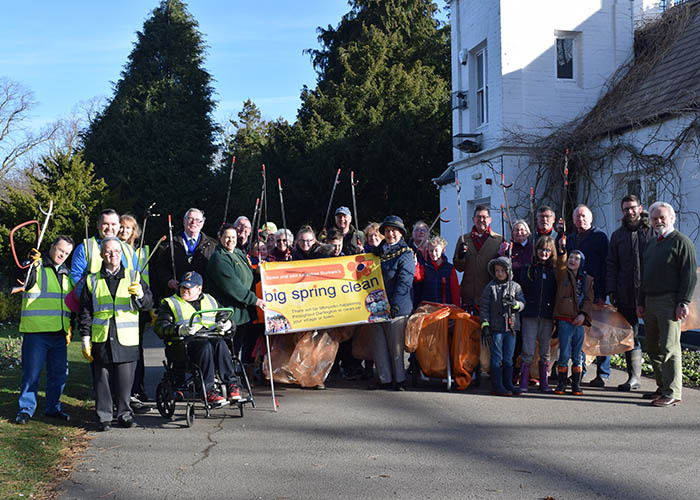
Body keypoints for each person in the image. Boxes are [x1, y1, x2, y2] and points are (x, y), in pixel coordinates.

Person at [78, 238, 153, 431]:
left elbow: (148, 305)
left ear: (122, 254)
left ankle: (124, 414)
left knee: (125, 380)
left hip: (125, 337)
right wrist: (85, 338)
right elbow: (85, 311)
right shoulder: (91, 279)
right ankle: (103, 416)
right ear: (102, 254)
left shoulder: (134, 276)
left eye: (117, 252)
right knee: (101, 379)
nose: (113, 255)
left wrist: (140, 296)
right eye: (109, 252)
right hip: (101, 336)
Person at [638, 202, 697, 407]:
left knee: (670, 346)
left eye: (662, 217)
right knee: (653, 346)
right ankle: (662, 386)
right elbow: (645, 275)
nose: (658, 221)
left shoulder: (682, 242)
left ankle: (673, 391)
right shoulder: (652, 244)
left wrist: (683, 302)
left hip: (670, 301)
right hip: (650, 300)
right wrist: (641, 301)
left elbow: (689, 275)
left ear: (672, 218)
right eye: (655, 218)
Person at [155, 271, 241, 406]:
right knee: (205, 347)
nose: (184, 290)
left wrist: (227, 324)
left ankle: (231, 384)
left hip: (210, 338)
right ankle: (208, 390)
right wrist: (179, 329)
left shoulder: (210, 300)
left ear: (199, 289)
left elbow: (224, 316)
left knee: (221, 344)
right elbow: (160, 328)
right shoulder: (170, 303)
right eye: (183, 287)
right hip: (185, 344)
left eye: (189, 288)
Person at [15, 236, 75, 425]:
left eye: (66, 253)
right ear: (52, 247)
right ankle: (25, 410)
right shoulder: (36, 266)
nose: (62, 255)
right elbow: (20, 278)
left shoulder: (67, 274)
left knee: (59, 374)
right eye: (60, 250)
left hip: (59, 333)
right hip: (36, 332)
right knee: (31, 374)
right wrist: (28, 262)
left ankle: (53, 408)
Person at [606, 195, 654, 391]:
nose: (630, 212)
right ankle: (634, 377)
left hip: (651, 292)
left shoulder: (651, 231)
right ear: (622, 211)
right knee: (630, 335)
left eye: (633, 208)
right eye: (626, 209)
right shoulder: (617, 236)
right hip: (625, 293)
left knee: (655, 336)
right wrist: (611, 290)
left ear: (640, 208)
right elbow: (612, 264)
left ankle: (663, 381)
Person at [367, 216, 415, 391]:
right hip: (375, 306)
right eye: (387, 231)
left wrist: (395, 304)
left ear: (401, 233)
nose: (390, 234)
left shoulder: (406, 253)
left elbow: (405, 281)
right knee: (379, 344)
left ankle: (399, 380)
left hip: (398, 306)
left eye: (394, 230)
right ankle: (384, 379)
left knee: (396, 347)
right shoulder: (375, 254)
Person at [206, 224, 266, 361]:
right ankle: (227, 378)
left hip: (242, 313)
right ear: (220, 237)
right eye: (227, 237)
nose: (231, 240)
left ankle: (233, 376)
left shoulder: (238, 253)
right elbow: (232, 285)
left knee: (237, 349)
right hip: (229, 314)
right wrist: (255, 300)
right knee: (228, 352)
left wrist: (256, 273)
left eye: (233, 237)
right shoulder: (219, 259)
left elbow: (247, 275)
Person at [565, 204, 609, 387]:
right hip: (576, 294)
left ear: (590, 218)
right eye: (577, 217)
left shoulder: (599, 237)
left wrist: (603, 293)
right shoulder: (571, 239)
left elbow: (607, 265)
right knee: (581, 334)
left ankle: (603, 373)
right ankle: (579, 370)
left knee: (599, 333)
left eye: (583, 216)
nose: (580, 220)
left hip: (596, 292)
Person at [117, 214, 150, 411]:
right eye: (121, 226)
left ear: (134, 232)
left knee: (137, 350)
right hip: (120, 304)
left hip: (138, 303)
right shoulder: (113, 248)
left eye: (128, 228)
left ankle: (137, 388)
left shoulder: (136, 251)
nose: (124, 231)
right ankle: (127, 393)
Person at [480, 257, 526, 396]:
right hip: (496, 328)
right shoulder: (490, 287)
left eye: (502, 271)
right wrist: (485, 325)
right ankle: (497, 385)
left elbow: (522, 303)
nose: (499, 273)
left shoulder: (516, 287)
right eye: (497, 271)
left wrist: (515, 304)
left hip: (511, 328)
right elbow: (484, 308)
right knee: (497, 356)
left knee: (509, 357)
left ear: (509, 271)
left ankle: (508, 384)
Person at [518, 236, 559, 392]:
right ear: (536, 250)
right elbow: (522, 287)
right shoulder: (529, 268)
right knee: (528, 349)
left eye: (547, 250)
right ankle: (523, 380)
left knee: (545, 350)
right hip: (530, 314)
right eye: (541, 249)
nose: (544, 253)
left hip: (547, 315)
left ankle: (544, 381)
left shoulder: (554, 271)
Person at [553, 248, 593, 396]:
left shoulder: (587, 280)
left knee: (577, 354)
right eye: (571, 257)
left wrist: (583, 315)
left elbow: (589, 300)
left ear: (581, 262)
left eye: (577, 258)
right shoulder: (562, 275)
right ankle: (561, 383)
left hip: (579, 321)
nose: (573, 260)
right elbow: (560, 263)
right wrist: (562, 250)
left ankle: (576, 384)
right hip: (564, 319)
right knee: (563, 353)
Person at [155, 208, 217, 300]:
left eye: (198, 220)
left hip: (202, 297)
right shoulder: (169, 242)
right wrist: (168, 280)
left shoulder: (213, 245)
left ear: (202, 223)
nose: (193, 223)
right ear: (184, 221)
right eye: (190, 219)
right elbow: (159, 266)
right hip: (175, 296)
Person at [453, 205, 504, 312]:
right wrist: (461, 256)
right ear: (473, 219)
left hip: (489, 295)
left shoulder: (498, 240)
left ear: (490, 220)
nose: (481, 220)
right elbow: (458, 267)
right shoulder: (463, 239)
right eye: (478, 217)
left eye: (484, 217)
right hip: (468, 295)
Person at [71, 209, 130, 297]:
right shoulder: (84, 248)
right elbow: (76, 277)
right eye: (105, 224)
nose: (109, 228)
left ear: (119, 226)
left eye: (113, 224)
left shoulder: (128, 250)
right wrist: (89, 297)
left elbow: (136, 277)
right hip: (96, 305)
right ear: (98, 225)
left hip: (124, 305)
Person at [413, 236, 460, 307]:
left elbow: (455, 291)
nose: (433, 254)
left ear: (443, 250)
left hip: (444, 308)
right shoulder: (424, 266)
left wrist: (457, 308)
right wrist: (415, 265)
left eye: (436, 250)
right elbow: (417, 278)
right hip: (427, 307)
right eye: (431, 251)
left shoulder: (449, 268)